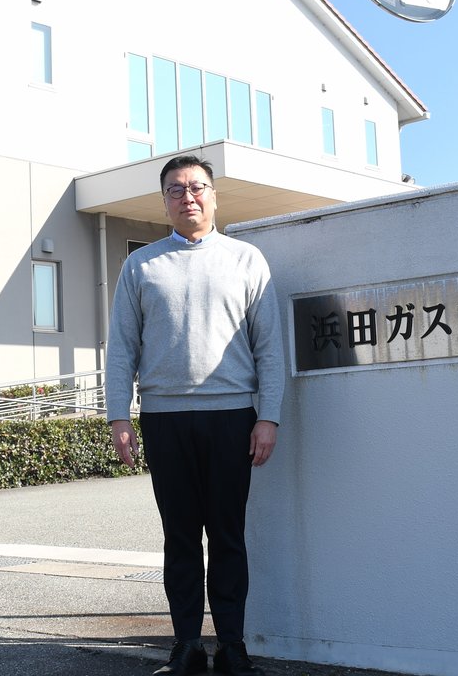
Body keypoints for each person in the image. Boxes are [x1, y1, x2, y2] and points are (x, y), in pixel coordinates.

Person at [107, 154, 284, 676]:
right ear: (164, 201)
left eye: (197, 187)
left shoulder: (246, 260)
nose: (188, 196)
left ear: (213, 195)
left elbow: (270, 348)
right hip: (165, 419)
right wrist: (119, 416)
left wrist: (268, 416)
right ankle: (186, 645)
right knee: (180, 537)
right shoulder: (141, 265)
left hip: (232, 416)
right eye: (176, 189)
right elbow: (122, 347)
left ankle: (232, 646)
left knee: (228, 536)